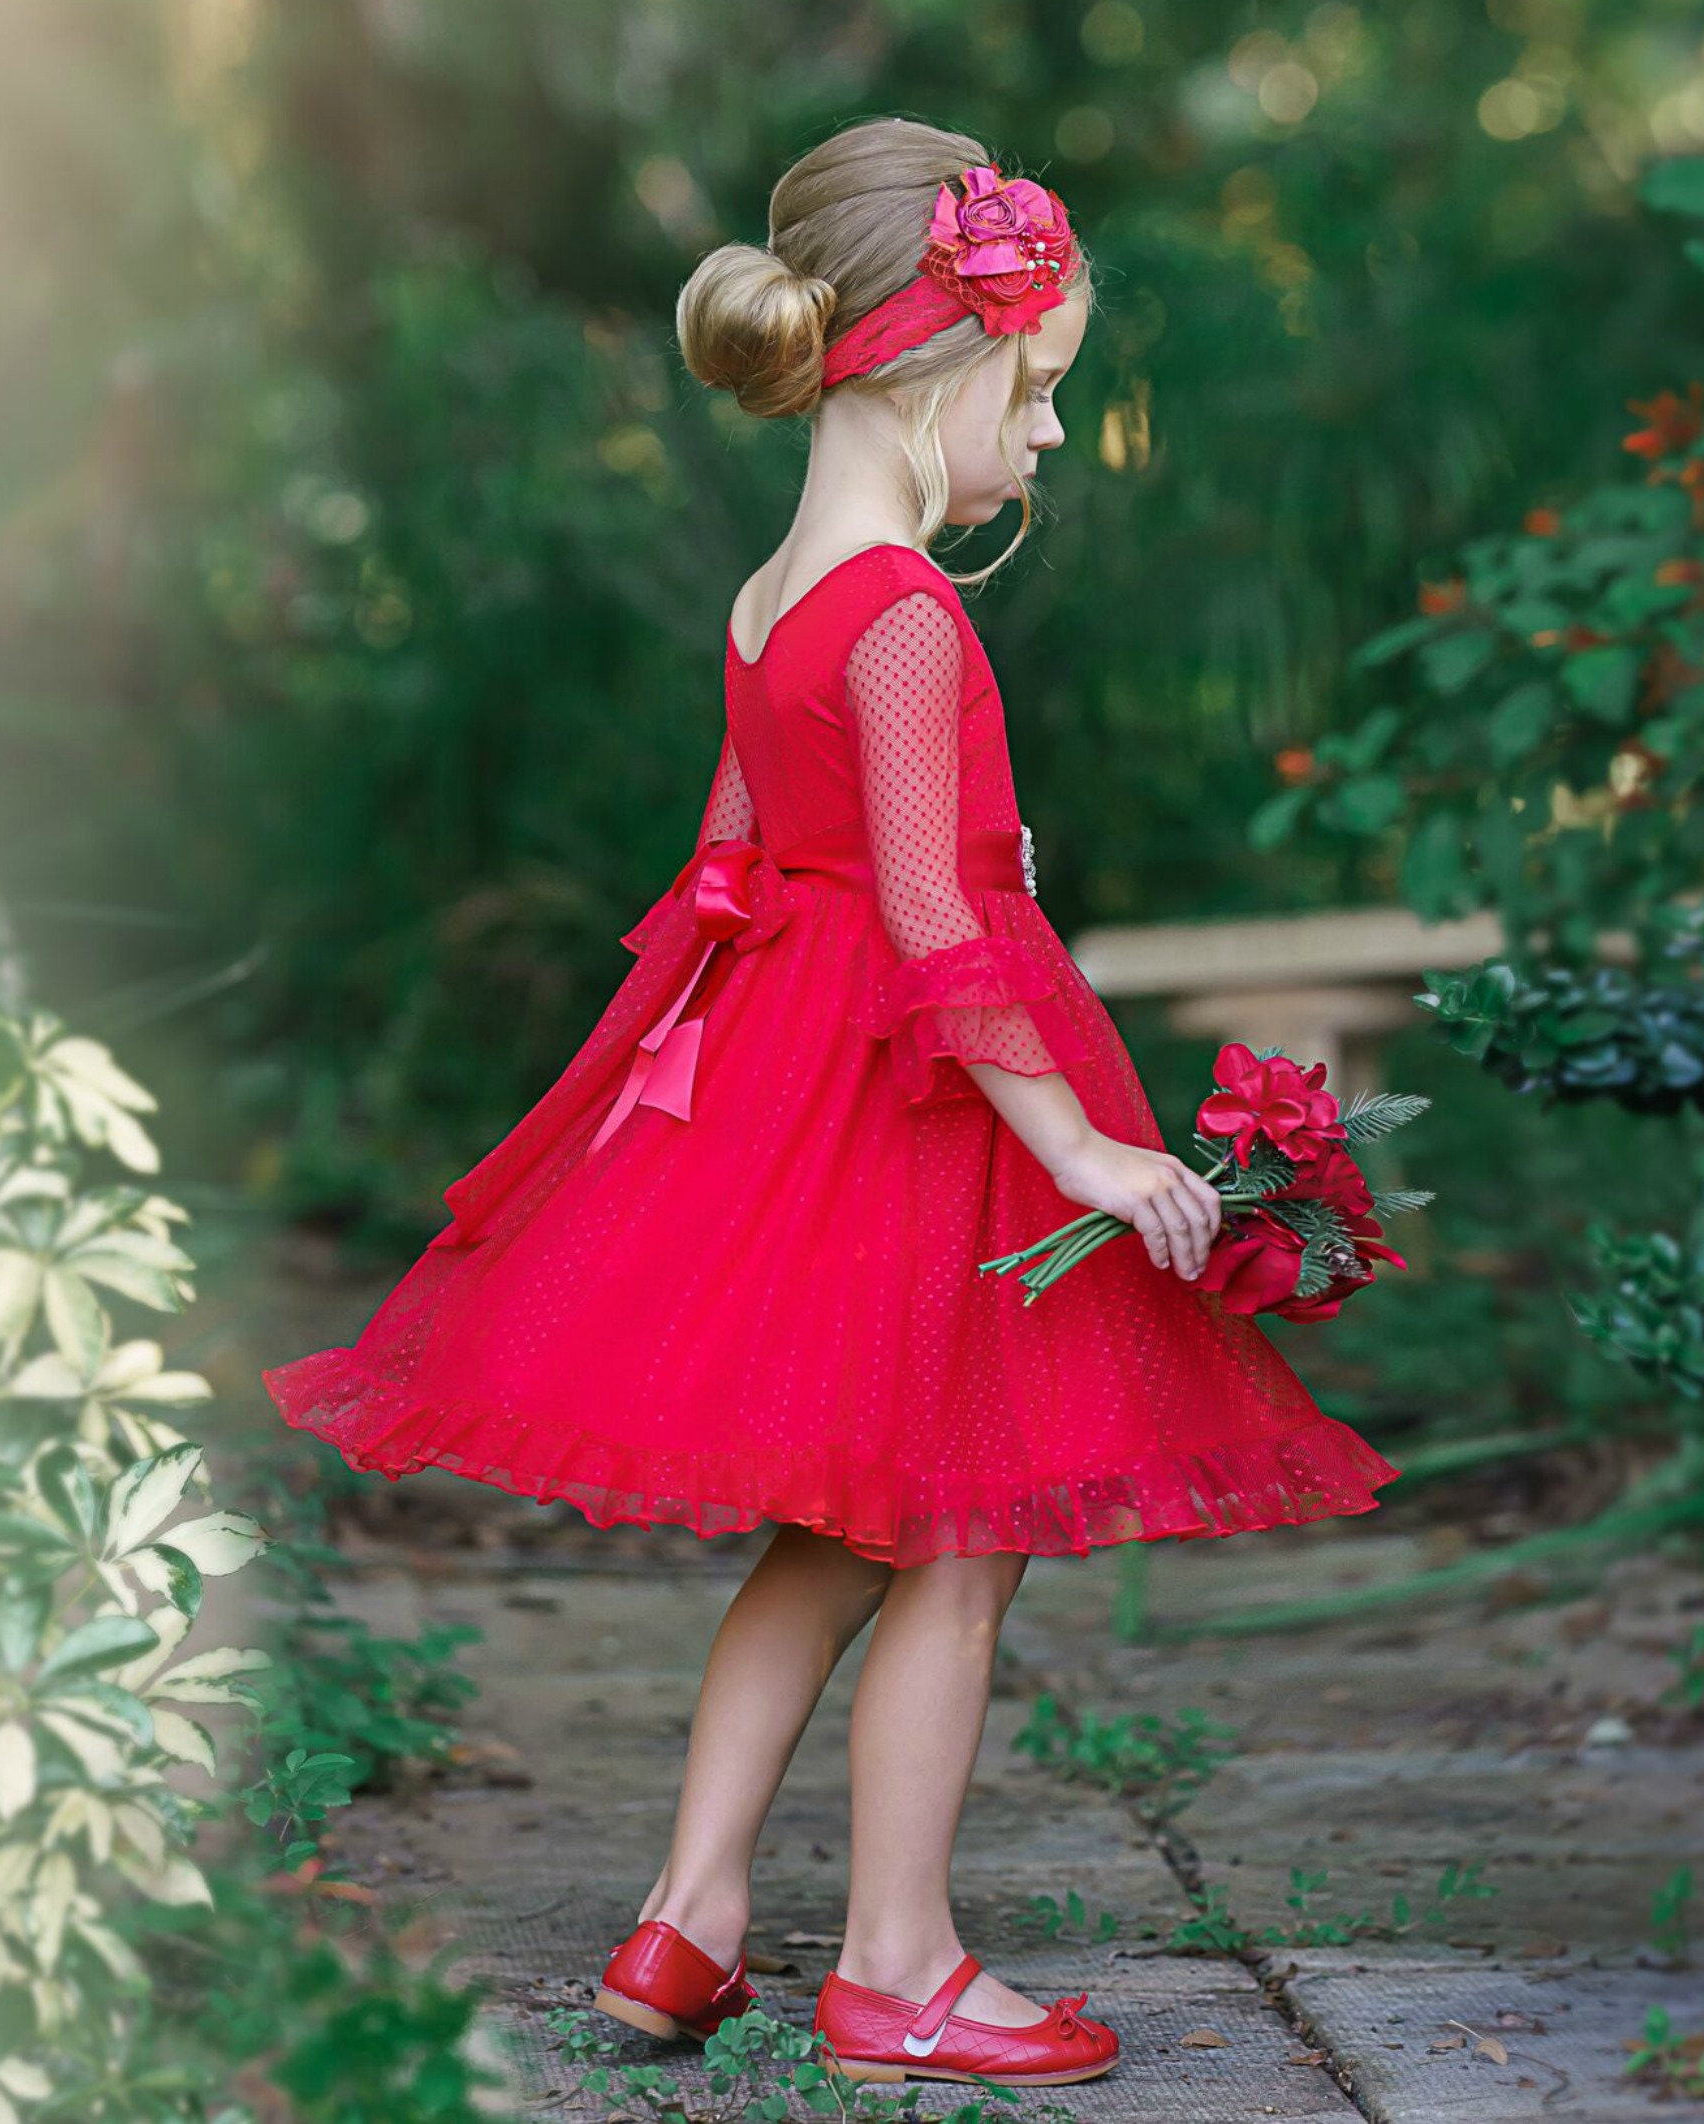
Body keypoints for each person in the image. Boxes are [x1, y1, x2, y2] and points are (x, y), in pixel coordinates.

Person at [262, 114, 1400, 2093]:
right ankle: (898, 1964)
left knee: (832, 1520)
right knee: (956, 1533)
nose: (1041, 444)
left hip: (813, 1075)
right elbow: (929, 906)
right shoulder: (898, 614)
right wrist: (1085, 1148)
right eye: (1033, 399)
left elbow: (723, 882)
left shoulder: (770, 596)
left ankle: (687, 1922)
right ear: (928, 359)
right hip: (921, 1108)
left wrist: (661, 1108)